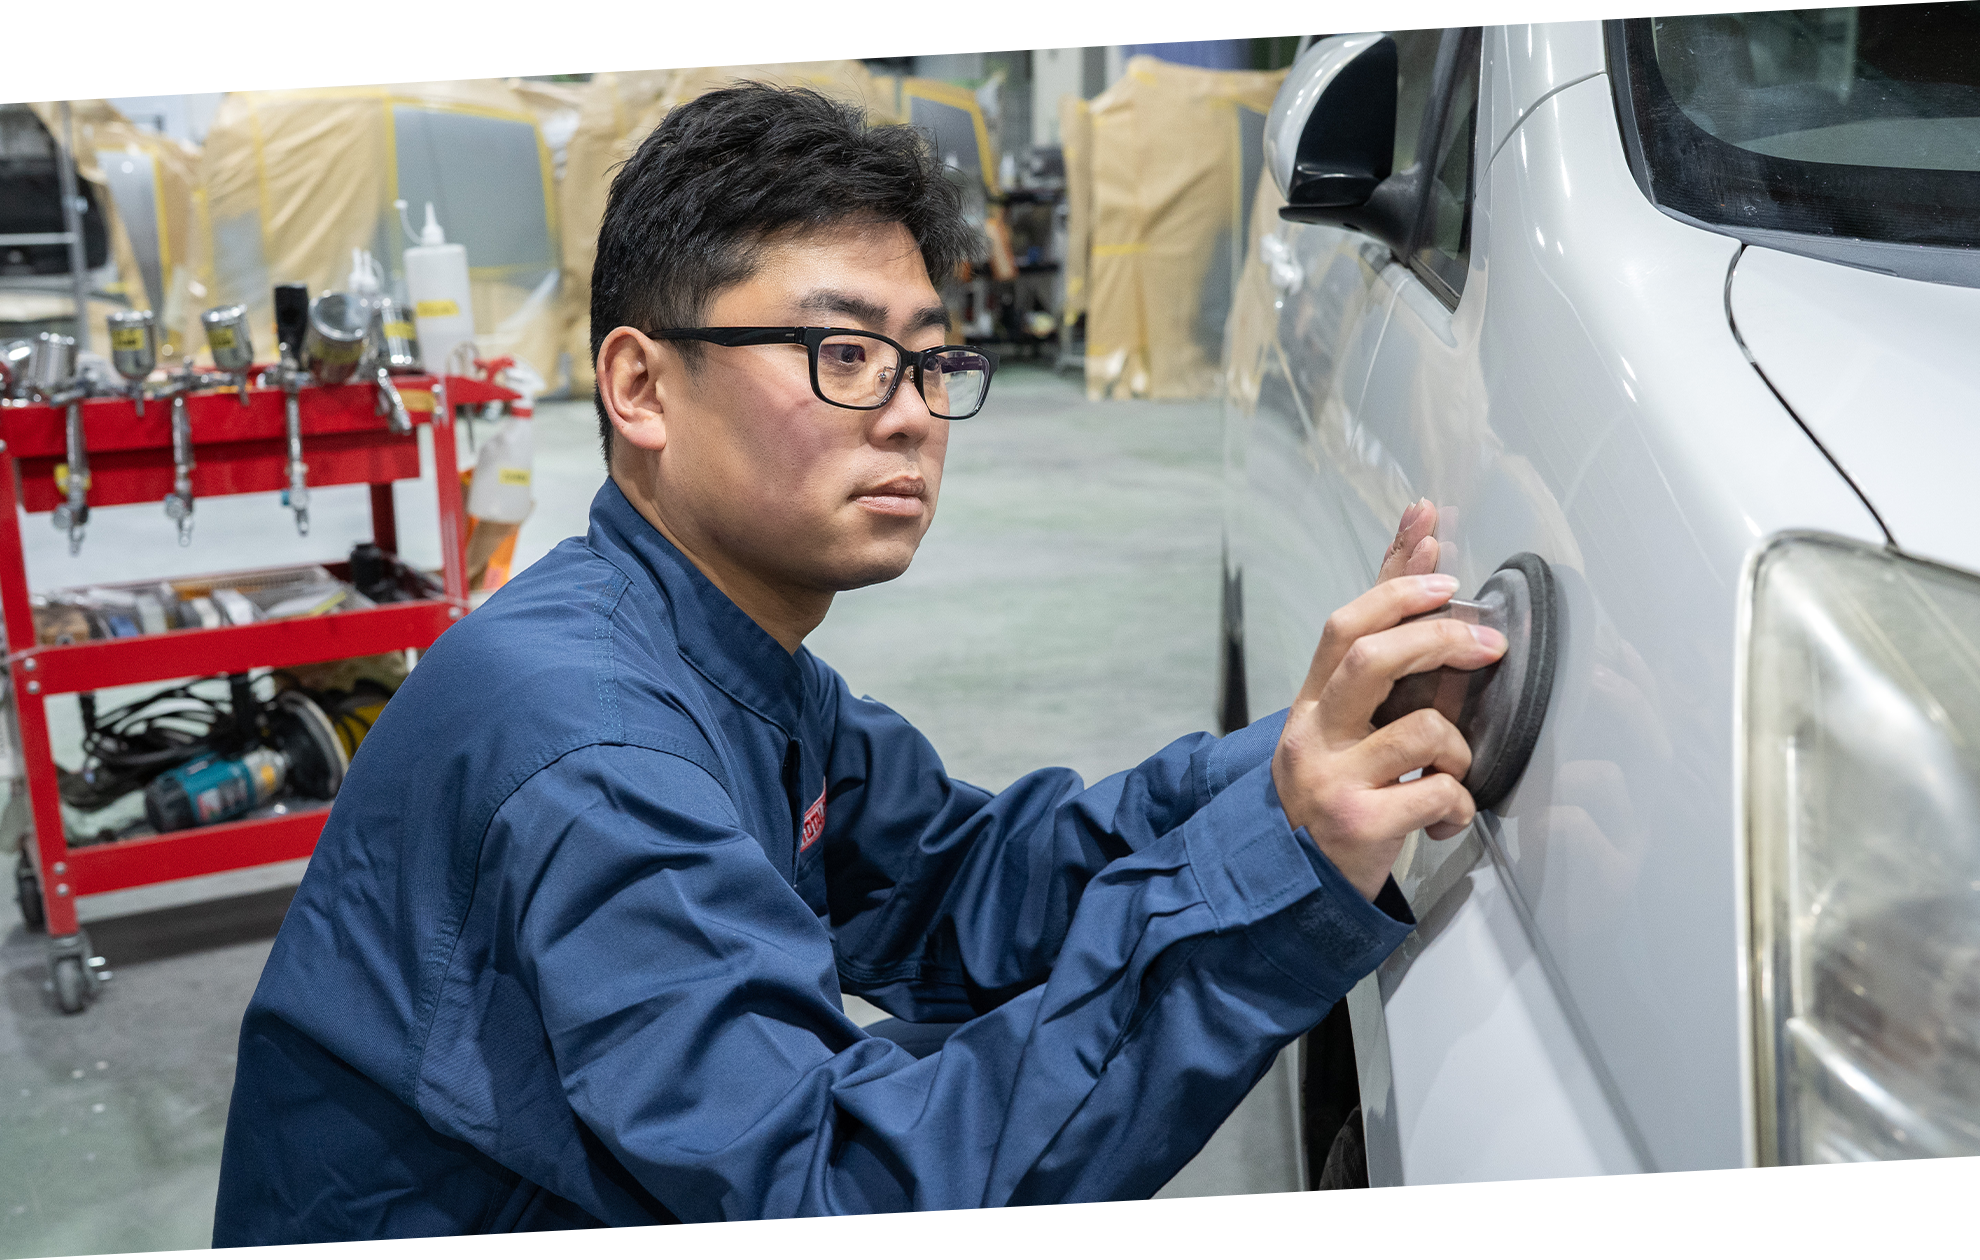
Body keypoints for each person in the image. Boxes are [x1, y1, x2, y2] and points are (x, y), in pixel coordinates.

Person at [213, 86, 1502, 1259]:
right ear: (639, 386)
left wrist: (1299, 768)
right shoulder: (594, 751)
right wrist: (1279, 874)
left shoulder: (722, 660)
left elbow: (965, 886)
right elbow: (842, 1213)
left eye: (931, 360)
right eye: (842, 354)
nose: (910, 412)